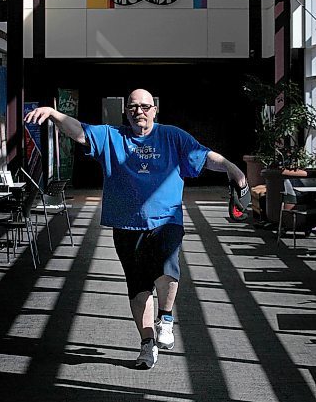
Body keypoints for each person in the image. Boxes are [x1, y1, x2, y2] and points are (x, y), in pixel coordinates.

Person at [24, 89, 247, 370]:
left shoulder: (171, 136)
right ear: (126, 111)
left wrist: (231, 168)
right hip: (126, 224)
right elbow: (80, 131)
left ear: (154, 109)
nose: (138, 111)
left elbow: (203, 156)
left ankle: (166, 318)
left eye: (144, 106)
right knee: (138, 286)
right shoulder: (113, 136)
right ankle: (146, 343)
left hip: (166, 220)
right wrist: (55, 114)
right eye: (132, 107)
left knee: (167, 267)